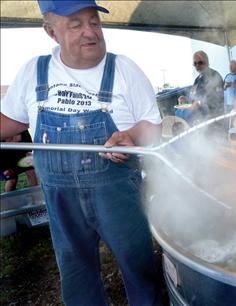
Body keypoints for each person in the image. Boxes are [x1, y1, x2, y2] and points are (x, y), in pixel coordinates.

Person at [0, 1, 164, 305]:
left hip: (118, 192)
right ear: (51, 32)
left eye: (94, 22)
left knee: (139, 266)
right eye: (76, 25)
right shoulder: (34, 72)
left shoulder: (124, 68)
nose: (91, 32)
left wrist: (132, 136)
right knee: (76, 273)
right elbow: (9, 122)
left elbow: (153, 126)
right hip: (61, 199)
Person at [179, 51, 224, 123]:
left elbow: (216, 97)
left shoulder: (214, 75)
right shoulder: (197, 80)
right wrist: (186, 100)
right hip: (201, 119)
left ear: (207, 62)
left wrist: (199, 103)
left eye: (200, 62)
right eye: (195, 63)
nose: (197, 65)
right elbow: (193, 96)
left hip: (214, 119)